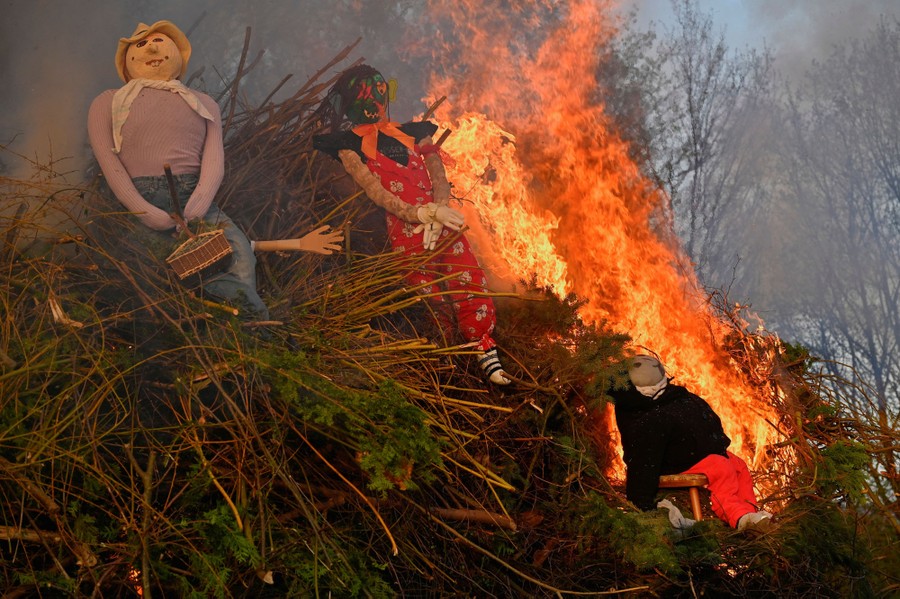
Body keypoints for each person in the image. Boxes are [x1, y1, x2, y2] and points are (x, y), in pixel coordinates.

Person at [312, 65, 510, 385]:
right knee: (426, 293)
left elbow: (438, 175)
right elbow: (374, 192)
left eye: (379, 90)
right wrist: (418, 216)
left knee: (467, 276)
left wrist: (440, 208)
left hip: (442, 221)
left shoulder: (415, 133)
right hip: (405, 231)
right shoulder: (349, 146)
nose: (375, 101)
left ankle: (484, 349)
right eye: (365, 94)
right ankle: (448, 363)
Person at [87, 20, 270, 319]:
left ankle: (245, 331)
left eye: (159, 40)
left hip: (196, 197)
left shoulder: (204, 103)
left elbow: (214, 161)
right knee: (148, 271)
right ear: (126, 60)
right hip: (138, 200)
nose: (152, 47)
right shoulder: (107, 103)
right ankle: (185, 335)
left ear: (178, 52)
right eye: (141, 44)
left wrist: (198, 206)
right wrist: (144, 211)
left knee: (239, 254)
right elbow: (110, 164)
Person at [608, 355, 772, 531]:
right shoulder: (648, 419)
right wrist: (640, 503)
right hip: (672, 462)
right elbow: (643, 461)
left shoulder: (673, 399)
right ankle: (739, 518)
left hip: (695, 454)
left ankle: (751, 513)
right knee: (721, 469)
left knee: (738, 465)